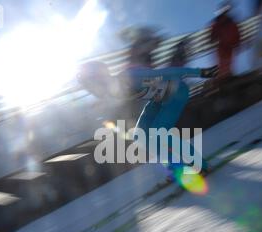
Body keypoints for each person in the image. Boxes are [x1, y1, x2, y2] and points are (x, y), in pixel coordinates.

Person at [77, 61, 215, 177]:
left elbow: (166, 73)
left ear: (100, 78)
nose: (93, 92)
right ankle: (178, 169)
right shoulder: (112, 90)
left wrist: (200, 72)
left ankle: (200, 164)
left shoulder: (129, 77)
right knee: (139, 136)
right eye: (89, 89)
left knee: (158, 133)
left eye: (91, 87)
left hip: (177, 92)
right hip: (159, 100)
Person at [210, 2, 241, 78]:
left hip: (229, 47)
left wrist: (237, 42)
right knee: (223, 62)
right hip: (223, 47)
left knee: (227, 62)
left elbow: (236, 33)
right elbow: (213, 35)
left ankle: (226, 75)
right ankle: (223, 76)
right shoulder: (218, 22)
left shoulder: (231, 23)